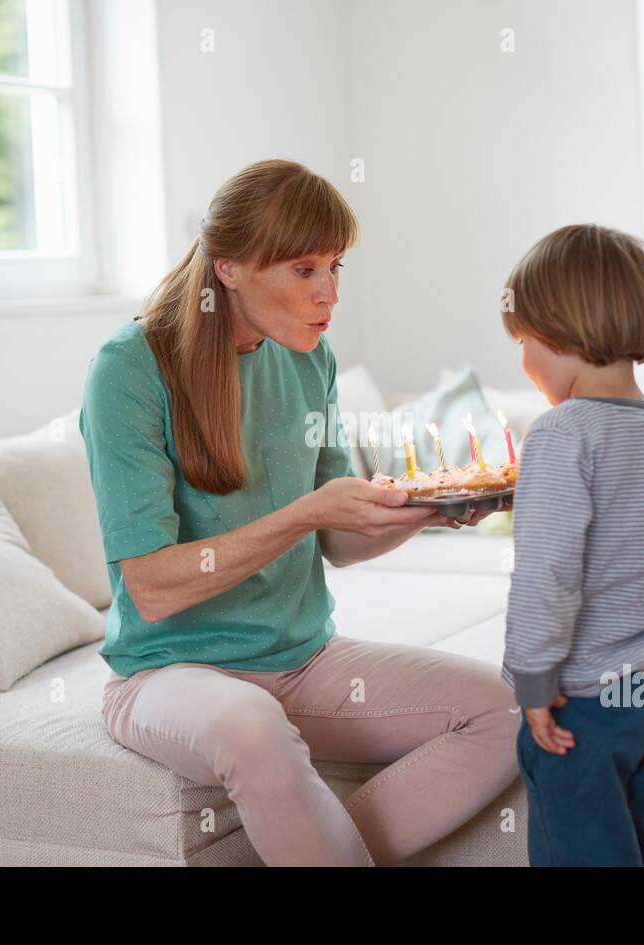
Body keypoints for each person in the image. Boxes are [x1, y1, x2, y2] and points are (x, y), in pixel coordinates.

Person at [80, 159, 519, 866]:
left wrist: (427, 512)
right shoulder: (130, 369)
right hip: (166, 675)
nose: (329, 293)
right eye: (303, 269)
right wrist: (301, 514)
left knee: (506, 710)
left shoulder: (308, 360)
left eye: (336, 266)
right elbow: (153, 589)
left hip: (303, 659)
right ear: (229, 268)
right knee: (250, 724)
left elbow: (338, 543)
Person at [498, 223, 644, 866]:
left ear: (557, 337)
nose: (525, 362)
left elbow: (547, 574)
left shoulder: (561, 433)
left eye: (523, 342)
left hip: (580, 704)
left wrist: (533, 679)